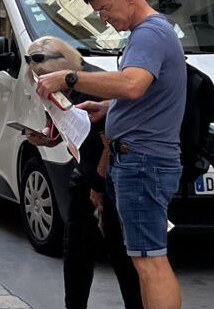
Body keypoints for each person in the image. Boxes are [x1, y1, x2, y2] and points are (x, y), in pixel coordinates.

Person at [35, 0, 186, 309]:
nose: (103, 19)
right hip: (139, 159)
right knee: (144, 260)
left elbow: (132, 84)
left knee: (150, 263)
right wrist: (108, 108)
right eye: (97, 12)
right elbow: (146, 92)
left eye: (105, 9)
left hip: (143, 160)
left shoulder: (149, 33)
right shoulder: (150, 33)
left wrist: (69, 78)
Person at [26, 37, 143, 309]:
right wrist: (45, 137)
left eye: (47, 78)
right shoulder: (51, 91)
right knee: (76, 251)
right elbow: (58, 128)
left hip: (109, 177)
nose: (43, 84)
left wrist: (99, 187)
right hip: (83, 174)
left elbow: (109, 144)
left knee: (121, 253)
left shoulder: (93, 87)